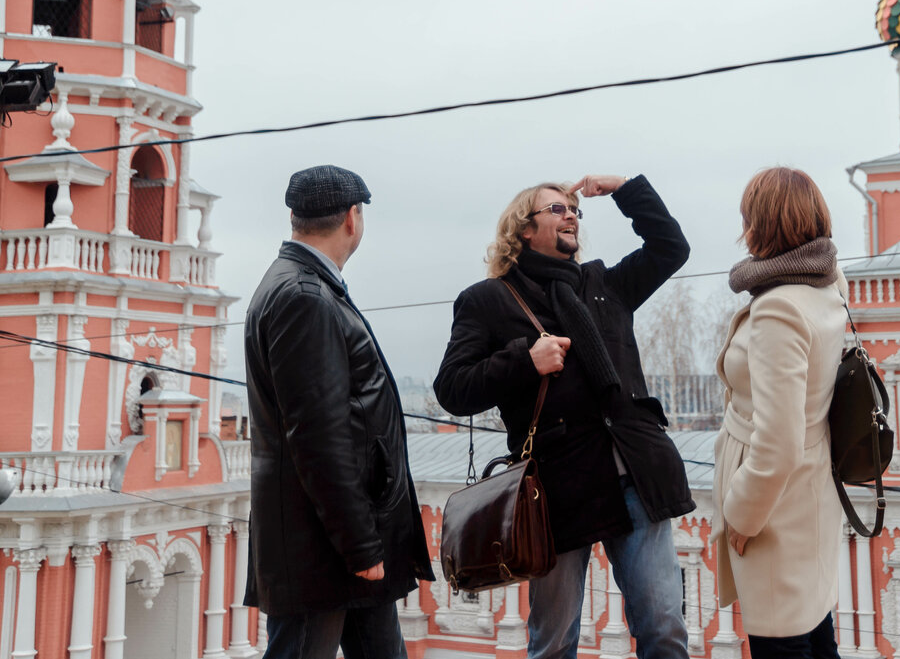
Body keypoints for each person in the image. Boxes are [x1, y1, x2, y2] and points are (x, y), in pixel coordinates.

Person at [434, 174, 693, 659]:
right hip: (554, 494)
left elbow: (670, 246)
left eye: (574, 209)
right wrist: (524, 361)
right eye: (556, 209)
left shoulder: (604, 284)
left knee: (664, 628)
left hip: (636, 474)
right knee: (553, 641)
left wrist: (623, 188)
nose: (571, 214)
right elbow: (452, 388)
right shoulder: (487, 300)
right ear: (524, 229)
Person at [243, 164, 434, 659]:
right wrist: (360, 545)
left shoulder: (303, 286)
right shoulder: (304, 296)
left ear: (294, 216)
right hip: (327, 547)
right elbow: (318, 435)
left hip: (338, 536)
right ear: (353, 218)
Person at [713, 167, 849, 659]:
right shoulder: (828, 281)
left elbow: (778, 439)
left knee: (781, 641)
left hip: (774, 505)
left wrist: (742, 517)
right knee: (813, 629)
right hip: (811, 490)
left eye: (747, 217)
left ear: (762, 225)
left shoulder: (778, 309)